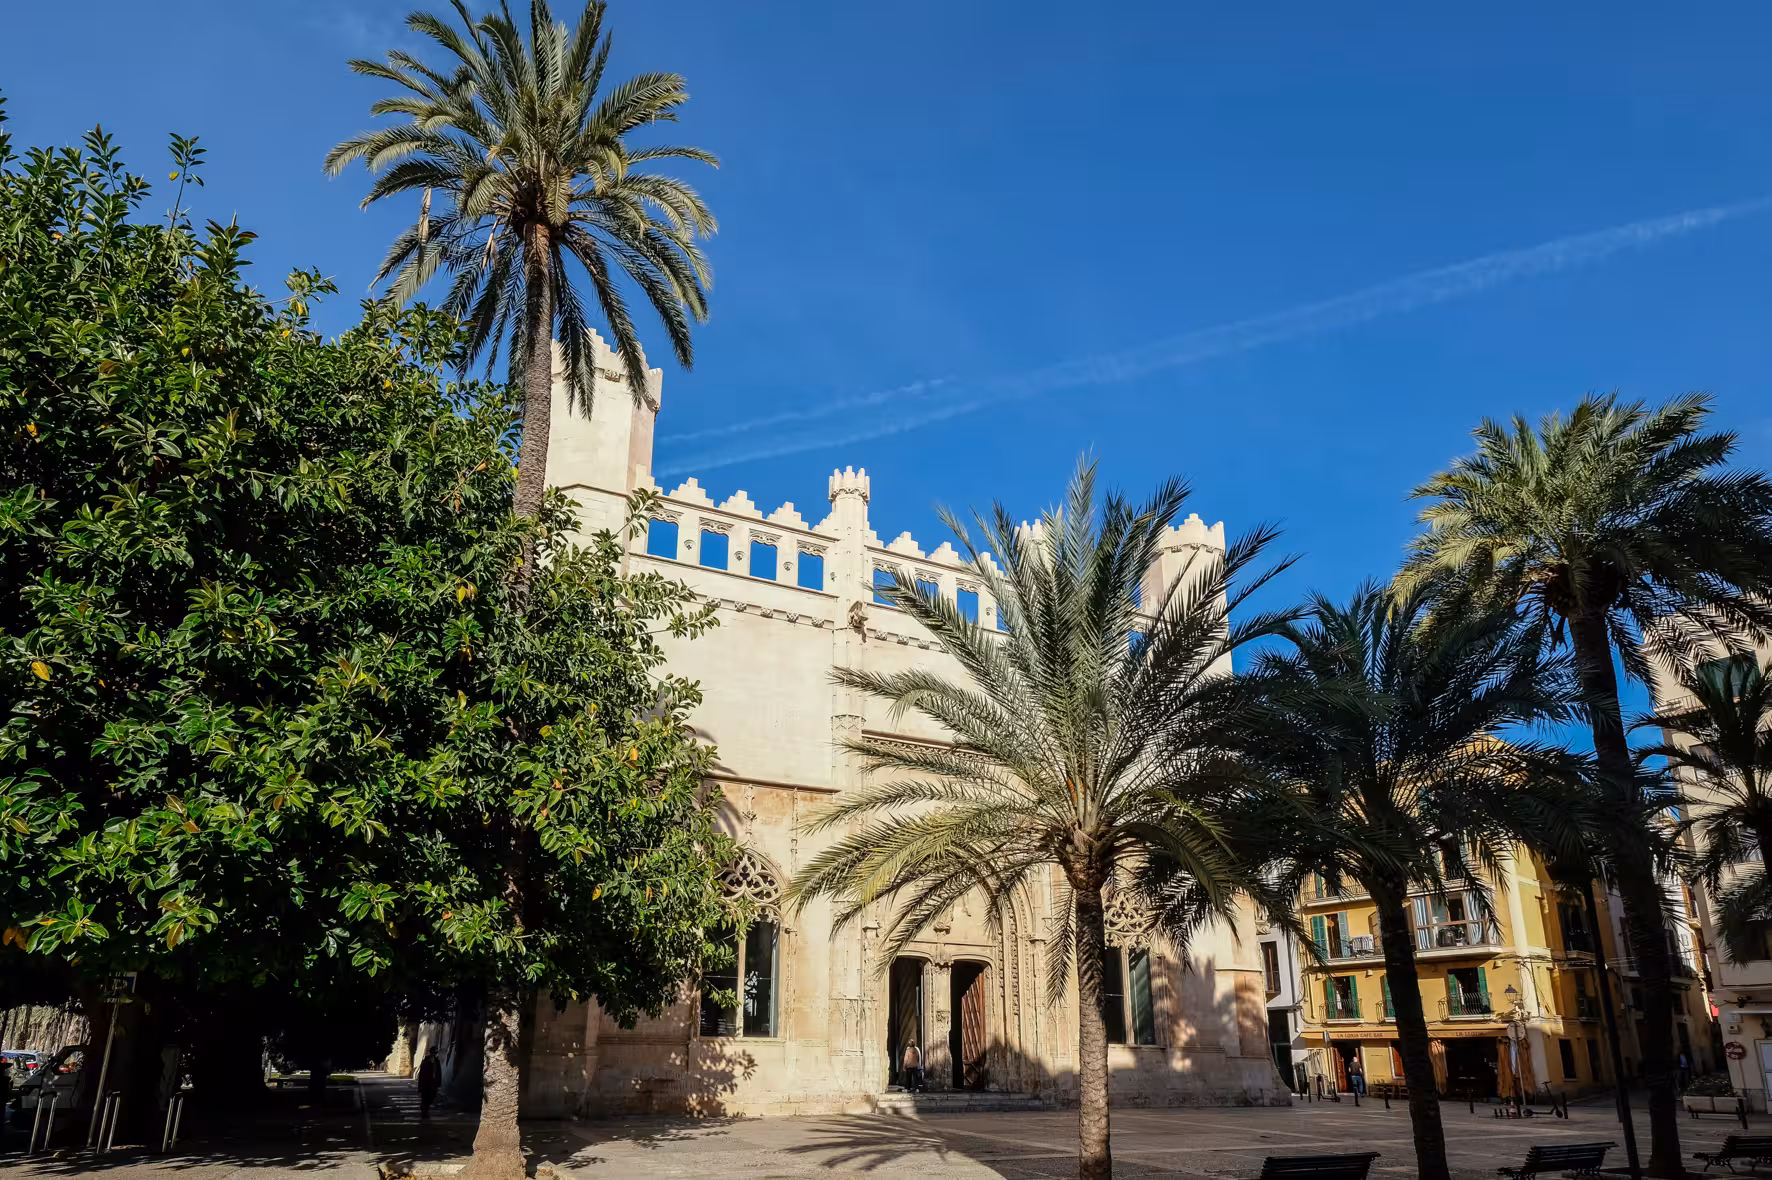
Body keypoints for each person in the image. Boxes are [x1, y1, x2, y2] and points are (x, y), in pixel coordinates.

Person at [416, 1051, 442, 1119]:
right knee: (425, 1098)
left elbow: (439, 1073)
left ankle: (425, 1109)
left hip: (433, 1084)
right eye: (434, 1053)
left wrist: (438, 1082)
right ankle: (424, 1111)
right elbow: (422, 1075)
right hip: (426, 1084)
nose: (435, 1054)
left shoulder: (437, 1062)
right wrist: (420, 1087)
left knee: (431, 1098)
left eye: (436, 1053)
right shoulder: (425, 1062)